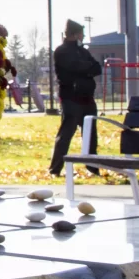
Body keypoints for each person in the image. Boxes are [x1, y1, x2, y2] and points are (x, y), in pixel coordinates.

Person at [48, 19, 102, 176]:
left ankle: (92, 168)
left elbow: (97, 67)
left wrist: (85, 68)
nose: (83, 36)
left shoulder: (83, 52)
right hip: (71, 98)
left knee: (91, 135)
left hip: (87, 98)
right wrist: (87, 68)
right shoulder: (61, 51)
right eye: (81, 34)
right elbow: (74, 66)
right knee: (65, 134)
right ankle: (55, 169)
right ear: (76, 34)